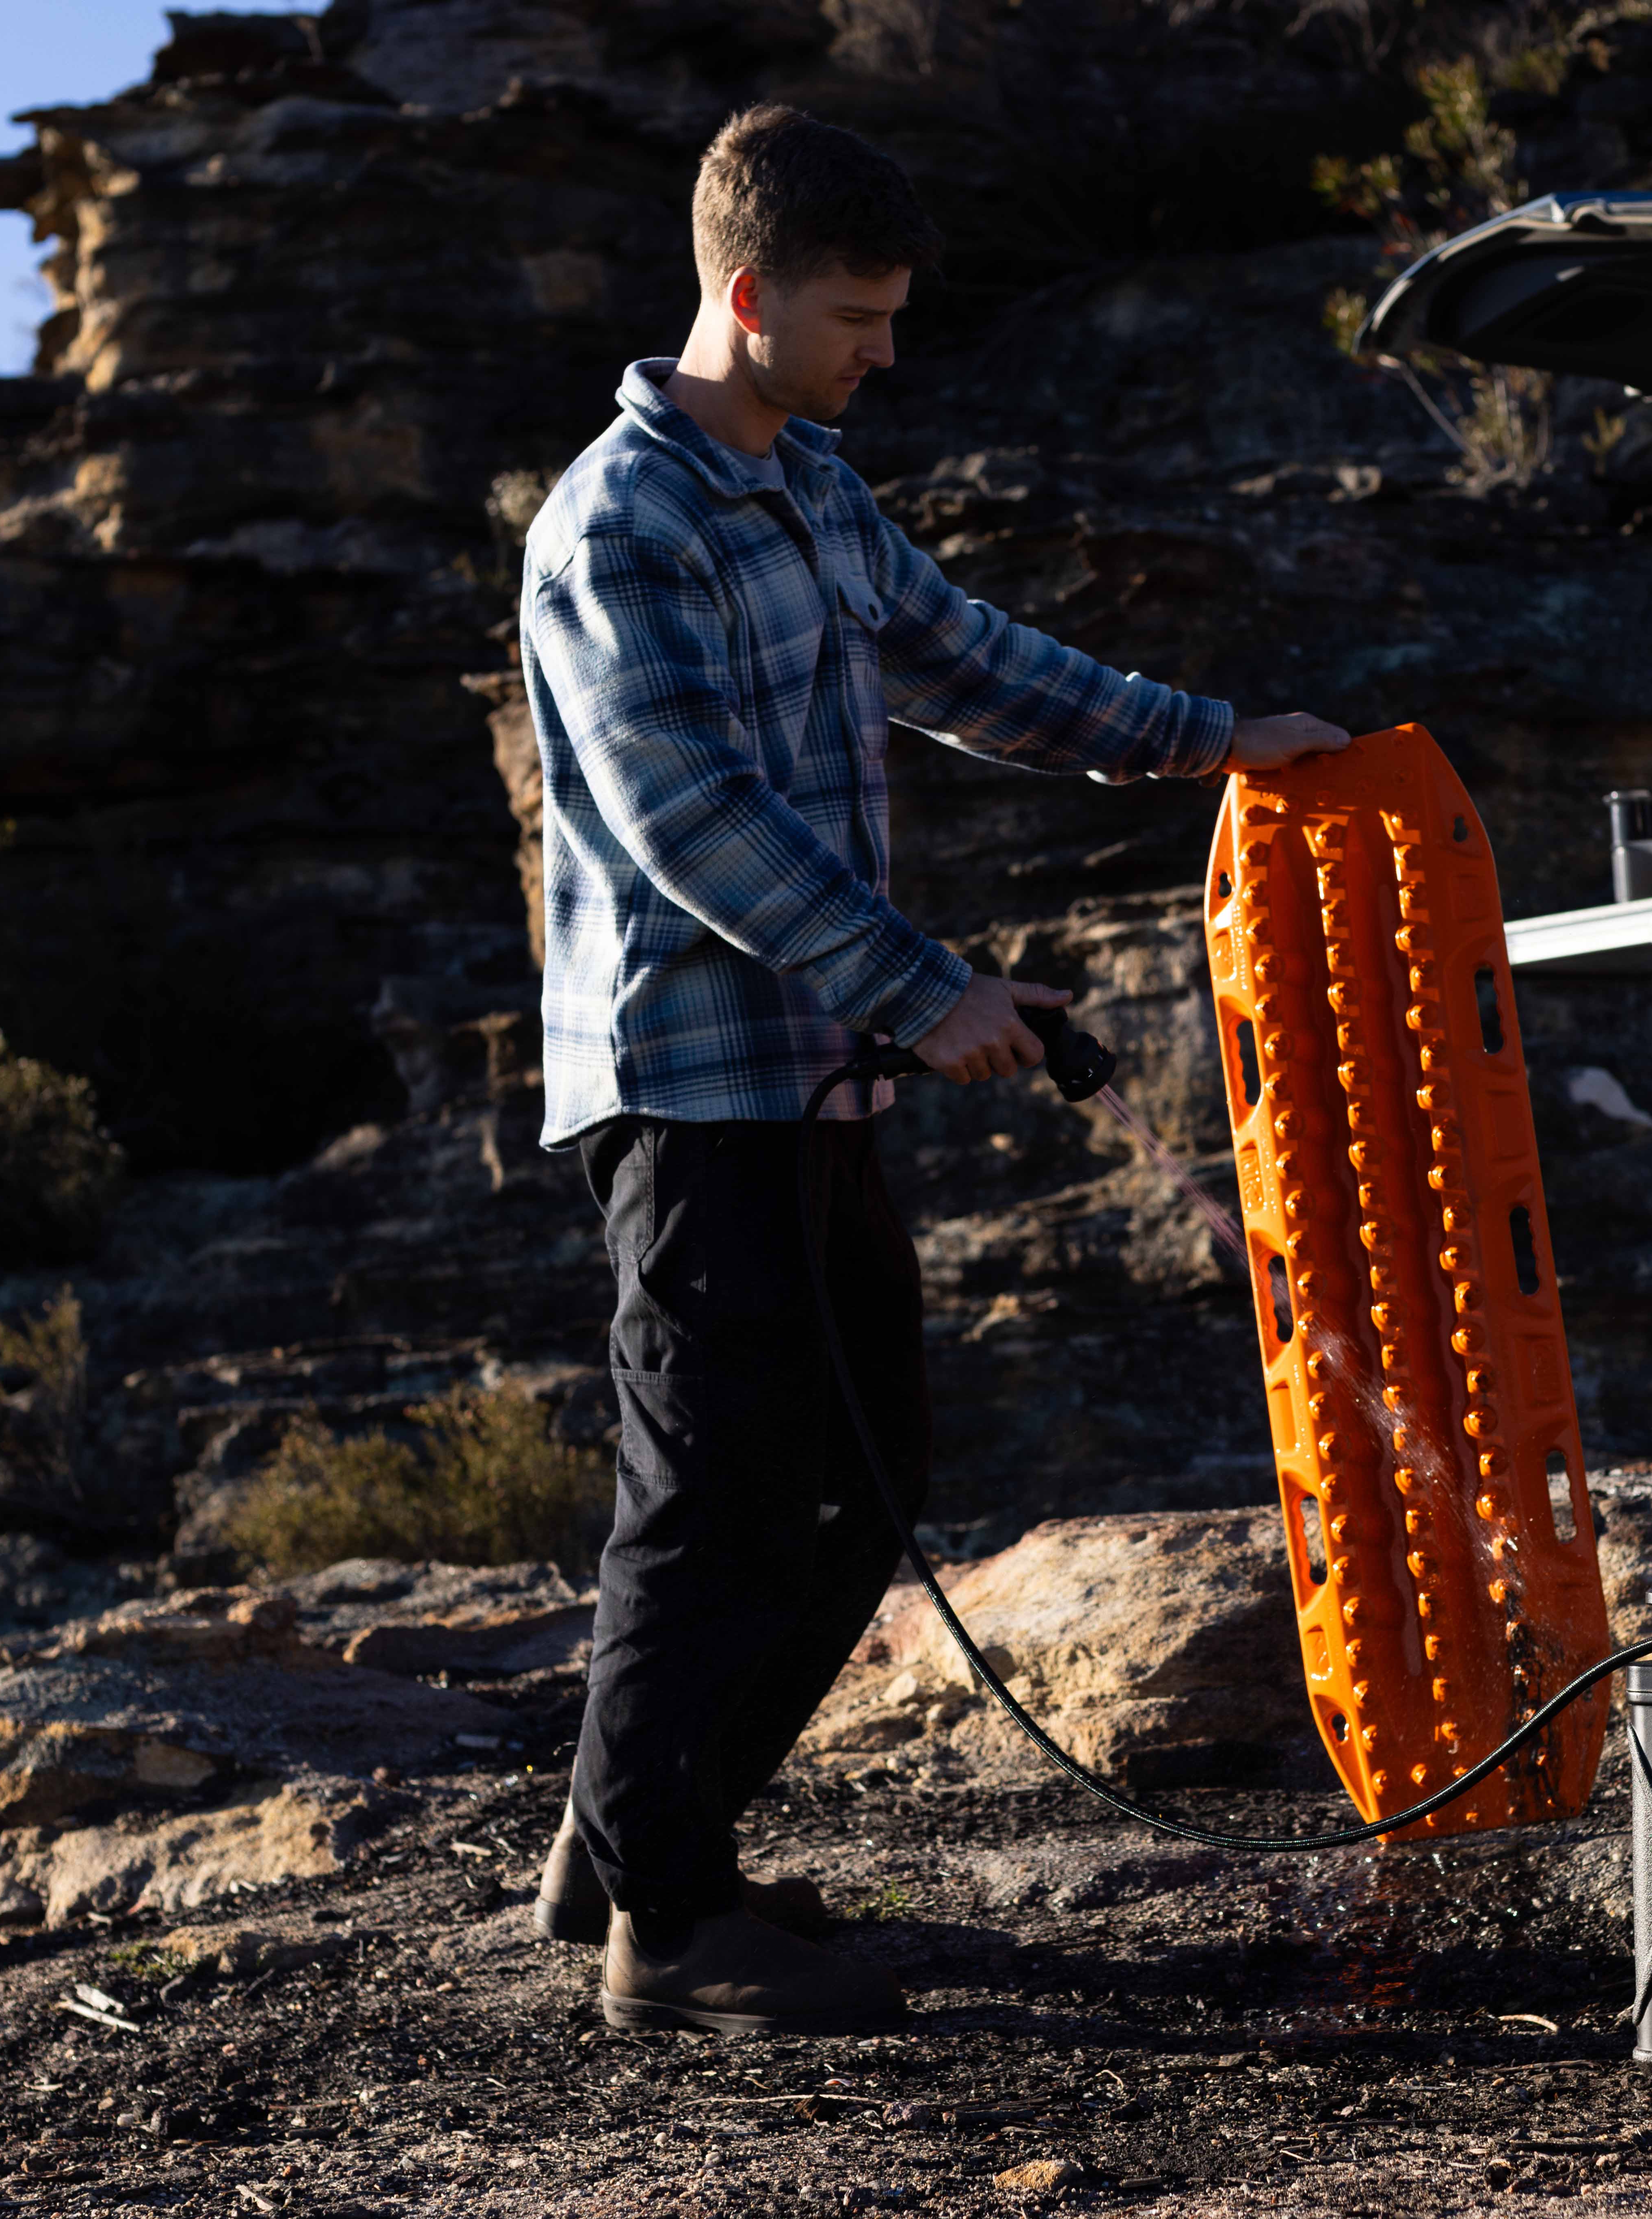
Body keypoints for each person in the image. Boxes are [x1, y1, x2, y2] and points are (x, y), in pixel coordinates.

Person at [516, 103, 1349, 2036]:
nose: (882, 355)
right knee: (712, 1499)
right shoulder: (612, 528)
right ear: (744, 296)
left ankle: (634, 1838)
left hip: (817, 1083)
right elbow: (684, 817)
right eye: (852, 319)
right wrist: (917, 981)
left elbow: (976, 663)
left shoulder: (811, 484)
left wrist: (1215, 737)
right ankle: (669, 1930)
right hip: (686, 1089)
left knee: (865, 1476)